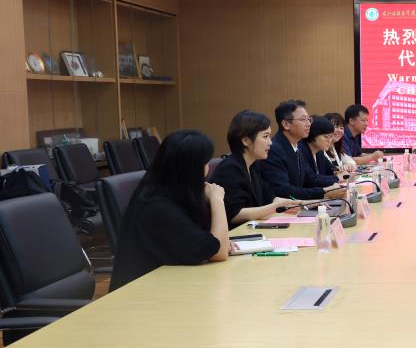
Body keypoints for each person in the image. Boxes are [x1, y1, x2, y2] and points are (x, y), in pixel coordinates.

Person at [110, 130, 230, 291]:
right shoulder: (156, 206)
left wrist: (218, 241)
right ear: (191, 169)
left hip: (168, 284)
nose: (208, 169)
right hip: (142, 295)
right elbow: (219, 251)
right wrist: (217, 200)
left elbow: (212, 242)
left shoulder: (174, 192)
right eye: (205, 163)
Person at [209, 110, 294, 224]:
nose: (270, 142)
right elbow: (235, 214)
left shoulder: (253, 165)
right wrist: (275, 207)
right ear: (246, 140)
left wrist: (298, 203)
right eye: (265, 136)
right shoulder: (230, 169)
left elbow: (270, 197)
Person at [258, 99, 343, 199]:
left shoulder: (296, 146)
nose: (308, 124)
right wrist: (324, 193)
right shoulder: (274, 150)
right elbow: (283, 191)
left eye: (309, 119)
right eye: (303, 119)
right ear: (286, 124)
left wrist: (336, 180)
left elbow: (309, 177)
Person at [300, 115, 347, 183]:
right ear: (313, 135)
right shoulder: (301, 152)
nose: (330, 140)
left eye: (331, 136)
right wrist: (337, 178)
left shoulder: (319, 152)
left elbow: (331, 168)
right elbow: (310, 179)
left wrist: (337, 171)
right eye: (326, 137)